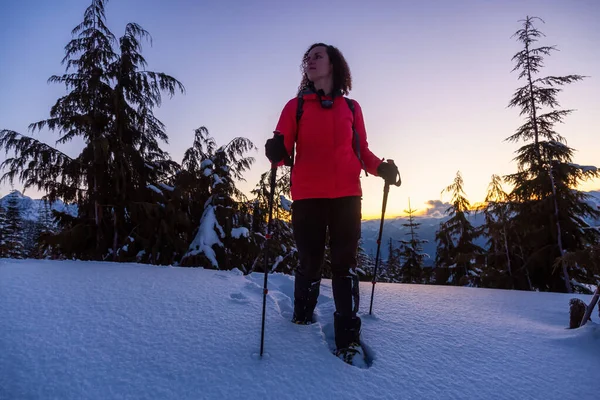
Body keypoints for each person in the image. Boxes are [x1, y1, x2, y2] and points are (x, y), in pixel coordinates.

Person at [264, 43, 399, 362]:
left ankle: (348, 339)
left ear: (333, 64)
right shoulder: (295, 107)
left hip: (347, 197)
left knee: (344, 265)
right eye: (307, 58)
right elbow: (282, 153)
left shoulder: (352, 109)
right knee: (309, 262)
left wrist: (381, 167)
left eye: (317, 56)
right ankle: (301, 316)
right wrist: (276, 151)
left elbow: (361, 151)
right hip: (307, 197)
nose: (309, 61)